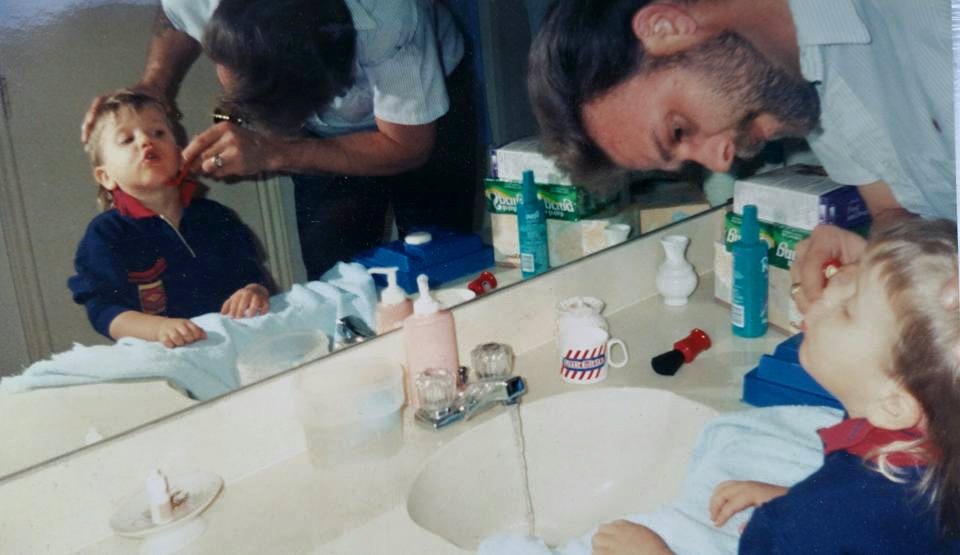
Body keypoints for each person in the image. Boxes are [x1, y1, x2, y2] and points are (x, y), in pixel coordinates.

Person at [527, 0, 954, 310]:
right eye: (686, 158)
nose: (720, 162)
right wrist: (881, 256)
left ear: (665, 25)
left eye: (679, 129)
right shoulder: (794, 78)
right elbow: (894, 209)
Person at [592, 218, 960, 554]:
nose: (825, 294)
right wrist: (800, 501)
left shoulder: (799, 528)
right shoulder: (930, 449)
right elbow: (889, 530)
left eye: (848, 309)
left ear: (893, 404)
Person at [82, 0, 476, 281]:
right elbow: (175, 13)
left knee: (444, 258)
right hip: (311, 118)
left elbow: (407, 146)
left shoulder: (390, 16)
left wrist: (273, 152)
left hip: (423, 111)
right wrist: (155, 83)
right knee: (336, 273)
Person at [69, 92, 270, 348]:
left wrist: (255, 291)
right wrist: (159, 328)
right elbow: (103, 310)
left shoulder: (216, 217)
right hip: (162, 352)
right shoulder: (107, 234)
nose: (145, 141)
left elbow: (250, 272)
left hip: (231, 340)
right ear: (105, 176)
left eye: (158, 133)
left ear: (179, 155)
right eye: (127, 139)